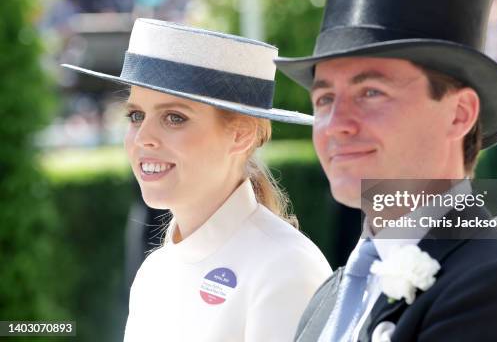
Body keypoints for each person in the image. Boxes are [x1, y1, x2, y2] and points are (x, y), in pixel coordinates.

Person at [275, 0, 497, 341]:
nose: (336, 124)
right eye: (325, 99)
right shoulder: (330, 294)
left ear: (459, 113)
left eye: (371, 92)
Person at [62, 18, 332, 341]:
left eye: (174, 118)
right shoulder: (154, 273)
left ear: (242, 134)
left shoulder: (285, 268)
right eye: (136, 115)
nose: (143, 137)